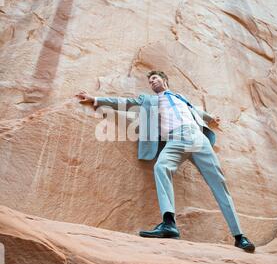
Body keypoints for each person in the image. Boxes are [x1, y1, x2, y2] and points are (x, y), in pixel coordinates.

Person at [76, 70, 255, 252]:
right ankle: (169, 223)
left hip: (198, 139)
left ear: (165, 80)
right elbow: (125, 102)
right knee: (161, 167)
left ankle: (240, 236)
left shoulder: (180, 97)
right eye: (150, 80)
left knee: (219, 182)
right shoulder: (149, 100)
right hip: (174, 139)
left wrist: (210, 118)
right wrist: (95, 99)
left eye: (155, 78)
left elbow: (195, 110)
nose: (152, 82)